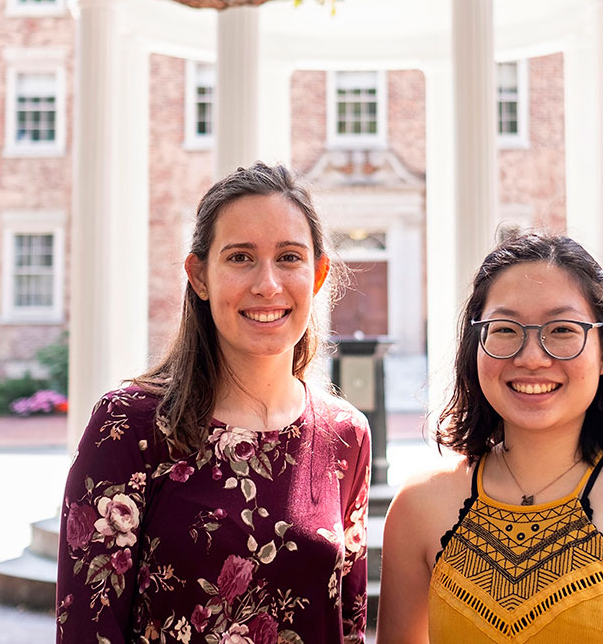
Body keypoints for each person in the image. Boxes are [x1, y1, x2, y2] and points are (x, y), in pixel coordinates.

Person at [377, 231, 603, 643]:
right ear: (476, 345)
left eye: (561, 330)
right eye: (504, 329)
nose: (532, 357)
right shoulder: (419, 507)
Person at [56, 163, 371, 644]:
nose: (268, 284)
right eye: (241, 257)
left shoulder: (346, 435)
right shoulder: (128, 425)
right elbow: (86, 632)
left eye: (289, 257)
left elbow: (346, 626)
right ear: (199, 276)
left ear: (319, 273)